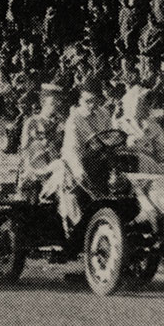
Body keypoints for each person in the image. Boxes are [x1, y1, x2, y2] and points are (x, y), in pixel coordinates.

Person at [56, 79, 111, 232]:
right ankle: (77, 230)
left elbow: (110, 138)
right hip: (76, 164)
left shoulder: (104, 114)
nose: (92, 105)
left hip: (99, 163)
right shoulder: (74, 119)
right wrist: (79, 171)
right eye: (88, 101)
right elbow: (71, 150)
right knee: (74, 193)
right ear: (80, 100)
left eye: (95, 101)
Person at [17, 86, 63, 201]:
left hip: (54, 168)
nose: (56, 105)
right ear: (43, 102)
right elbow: (25, 150)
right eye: (53, 102)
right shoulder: (32, 122)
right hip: (35, 170)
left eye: (58, 102)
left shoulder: (61, 124)